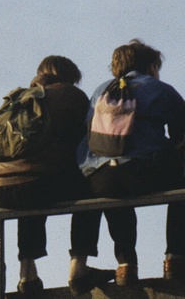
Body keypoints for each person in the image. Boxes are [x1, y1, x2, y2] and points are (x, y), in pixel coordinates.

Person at [0, 56, 114, 295]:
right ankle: (79, 269)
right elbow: (86, 139)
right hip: (34, 184)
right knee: (90, 188)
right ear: (69, 77)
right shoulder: (71, 95)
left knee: (29, 192)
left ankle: (27, 275)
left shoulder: (17, 98)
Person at [71, 39, 185, 287]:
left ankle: (125, 265)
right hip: (145, 172)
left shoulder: (100, 92)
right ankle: (175, 259)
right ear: (151, 65)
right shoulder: (159, 88)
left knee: (115, 186)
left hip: (100, 179)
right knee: (182, 186)